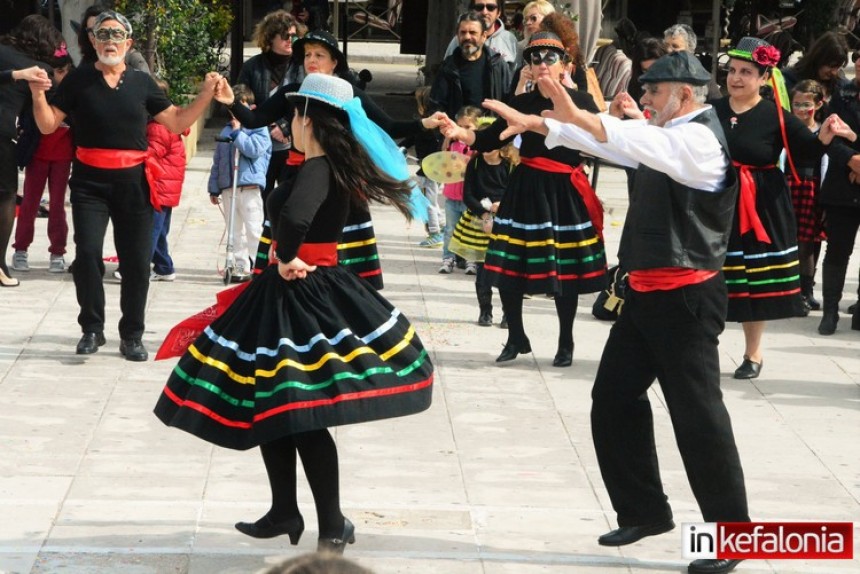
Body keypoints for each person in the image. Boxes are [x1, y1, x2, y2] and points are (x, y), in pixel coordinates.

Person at [478, 50, 798, 574]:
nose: (644, 100)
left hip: (687, 299)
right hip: (647, 293)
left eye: (653, 93)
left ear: (684, 95)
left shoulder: (696, 140)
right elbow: (618, 143)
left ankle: (734, 537)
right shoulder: (669, 135)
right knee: (613, 398)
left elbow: (635, 140)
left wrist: (580, 115)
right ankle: (647, 511)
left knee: (699, 418)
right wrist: (542, 122)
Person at [155, 73, 434, 555]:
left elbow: (298, 218)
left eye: (294, 114)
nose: (289, 123)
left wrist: (285, 258)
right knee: (278, 406)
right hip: (304, 289)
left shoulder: (319, 168)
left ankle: (330, 523)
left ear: (312, 118)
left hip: (301, 292)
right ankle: (288, 511)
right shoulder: (326, 164)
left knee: (300, 412)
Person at [29, 10, 223, 361]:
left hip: (134, 183)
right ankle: (92, 328)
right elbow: (47, 126)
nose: (110, 42)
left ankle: (132, 334)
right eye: (103, 35)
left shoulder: (141, 82)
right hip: (89, 182)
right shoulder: (78, 80)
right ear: (93, 41)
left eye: (117, 35)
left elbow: (177, 121)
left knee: (136, 261)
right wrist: (38, 94)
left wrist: (206, 94)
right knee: (87, 254)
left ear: (128, 43)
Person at [228, 29, 445, 289]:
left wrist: (424, 124)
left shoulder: (347, 94)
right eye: (308, 54)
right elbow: (255, 119)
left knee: (335, 251)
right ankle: (286, 268)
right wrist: (230, 101)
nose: (312, 60)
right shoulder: (293, 92)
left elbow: (387, 126)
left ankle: (340, 290)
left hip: (336, 176)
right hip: (296, 173)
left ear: (334, 63)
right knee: (289, 219)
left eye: (320, 55)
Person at [441, 32, 605, 368]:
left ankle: (566, 341)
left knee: (563, 271)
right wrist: (462, 134)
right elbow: (489, 138)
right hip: (525, 188)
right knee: (508, 266)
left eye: (549, 57)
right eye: (534, 58)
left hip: (564, 191)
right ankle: (516, 335)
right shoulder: (521, 102)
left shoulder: (581, 103)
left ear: (566, 65)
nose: (541, 63)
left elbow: (598, 139)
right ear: (527, 66)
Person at [713, 37, 855, 378]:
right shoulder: (712, 111)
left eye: (746, 72)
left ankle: (753, 353)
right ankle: (703, 348)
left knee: (753, 282)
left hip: (760, 206)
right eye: (732, 70)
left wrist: (827, 135)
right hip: (716, 202)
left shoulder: (775, 113)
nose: (736, 78)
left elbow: (807, 150)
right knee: (710, 280)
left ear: (764, 78)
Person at [0, 15, 64, 288]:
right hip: (2, 138)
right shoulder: (39, 70)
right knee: (4, 200)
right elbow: (49, 116)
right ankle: (0, 266)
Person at [237, 10, 305, 199]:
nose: (290, 40)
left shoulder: (301, 66)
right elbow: (241, 100)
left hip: (292, 145)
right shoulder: (252, 67)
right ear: (270, 38)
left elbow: (305, 101)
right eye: (285, 36)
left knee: (288, 199)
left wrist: (283, 126)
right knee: (261, 200)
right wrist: (270, 125)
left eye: (293, 35)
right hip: (259, 146)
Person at [449, 137, 516, 326]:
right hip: (479, 220)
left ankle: (508, 313)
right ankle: (485, 311)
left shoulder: (511, 166)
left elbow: (517, 194)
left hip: (505, 221)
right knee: (482, 269)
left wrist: (501, 207)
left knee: (506, 270)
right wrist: (485, 215)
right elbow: (468, 195)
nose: (485, 148)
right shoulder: (475, 163)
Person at [816, 50, 860, 334]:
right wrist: (851, 160)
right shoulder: (842, 95)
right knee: (838, 249)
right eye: (858, 58)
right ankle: (830, 309)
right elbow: (829, 135)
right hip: (843, 185)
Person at [208, 84, 271, 283]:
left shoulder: (258, 128)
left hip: (249, 185)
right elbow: (218, 160)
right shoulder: (226, 130)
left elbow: (253, 150)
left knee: (254, 228)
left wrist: (238, 133)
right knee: (234, 230)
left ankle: (261, 264)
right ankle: (240, 265)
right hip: (229, 187)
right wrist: (214, 186)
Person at [785, 80, 828, 313]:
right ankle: (790, 290)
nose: (801, 109)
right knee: (790, 241)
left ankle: (806, 290)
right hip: (789, 184)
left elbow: (827, 162)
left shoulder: (823, 130)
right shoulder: (787, 128)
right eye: (797, 104)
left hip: (813, 187)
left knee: (809, 243)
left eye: (807, 104)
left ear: (819, 104)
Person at [430, 11, 512, 119]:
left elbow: (509, 102)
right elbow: (437, 107)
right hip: (457, 132)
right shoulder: (448, 68)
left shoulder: (498, 65)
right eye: (463, 32)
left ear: (484, 36)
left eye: (473, 32)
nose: (467, 37)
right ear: (457, 36)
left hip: (490, 132)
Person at [147, 78, 187, 282]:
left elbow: (151, 153)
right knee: (159, 230)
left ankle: (139, 267)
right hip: (167, 187)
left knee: (150, 230)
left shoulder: (158, 127)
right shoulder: (170, 122)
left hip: (159, 187)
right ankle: (164, 267)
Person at [400, 86, 445, 248]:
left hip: (429, 169)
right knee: (432, 199)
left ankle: (435, 232)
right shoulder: (438, 124)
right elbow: (411, 138)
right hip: (435, 167)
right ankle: (441, 225)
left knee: (428, 202)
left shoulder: (427, 126)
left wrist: (400, 148)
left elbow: (411, 138)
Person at [439, 106, 481, 275]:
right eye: (460, 126)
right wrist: (447, 139)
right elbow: (443, 157)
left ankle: (471, 259)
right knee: (450, 229)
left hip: (470, 197)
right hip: (451, 195)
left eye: (468, 127)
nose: (463, 131)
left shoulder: (478, 147)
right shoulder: (454, 144)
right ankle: (448, 258)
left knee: (470, 230)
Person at [77, 3, 151, 74]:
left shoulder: (133, 60)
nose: (95, 34)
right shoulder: (86, 62)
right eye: (91, 30)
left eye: (101, 30)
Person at [443, 1, 518, 69]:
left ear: (498, 12)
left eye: (490, 7)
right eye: (479, 7)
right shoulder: (460, 40)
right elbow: (446, 72)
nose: (484, 12)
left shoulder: (510, 40)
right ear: (472, 11)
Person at [782, 31, 848, 102]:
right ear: (819, 58)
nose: (834, 72)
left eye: (838, 67)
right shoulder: (789, 79)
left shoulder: (840, 86)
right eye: (831, 66)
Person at [515, 0, 555, 65]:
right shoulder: (519, 48)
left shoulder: (560, 46)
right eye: (525, 20)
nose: (528, 23)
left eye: (533, 18)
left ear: (548, 19)